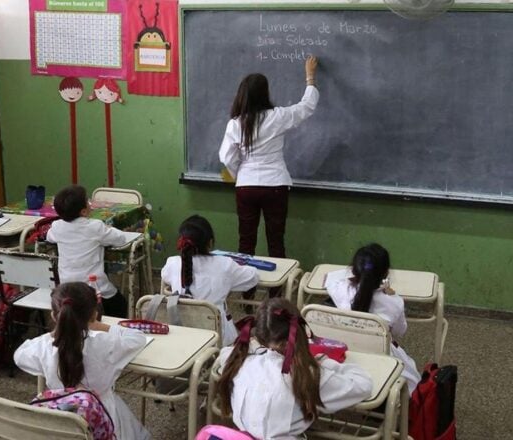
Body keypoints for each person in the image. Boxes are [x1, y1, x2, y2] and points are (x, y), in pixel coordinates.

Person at [217, 298, 372, 439]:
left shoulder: (239, 360)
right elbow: (363, 385)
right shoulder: (307, 375)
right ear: (299, 332)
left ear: (258, 333)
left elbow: (224, 353)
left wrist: (254, 346)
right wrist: (324, 362)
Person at [14, 282, 150, 440]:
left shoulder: (44, 347)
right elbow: (138, 338)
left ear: (54, 316)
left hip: (60, 420)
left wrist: (56, 333)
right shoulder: (105, 343)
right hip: (101, 417)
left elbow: (19, 355)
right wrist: (100, 326)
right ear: (93, 315)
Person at [219, 56, 319, 260]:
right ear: (265, 94)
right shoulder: (277, 117)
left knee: (246, 241)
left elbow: (227, 157)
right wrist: (310, 77)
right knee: (276, 241)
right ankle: (279, 282)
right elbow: (306, 106)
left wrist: (239, 174)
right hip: (275, 184)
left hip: (246, 187)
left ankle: (245, 281)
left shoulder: (236, 124)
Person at [325, 243, 421, 394]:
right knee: (412, 374)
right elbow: (399, 332)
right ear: (386, 273)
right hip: (380, 357)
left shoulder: (341, 290)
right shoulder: (394, 302)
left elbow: (330, 280)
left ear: (354, 271)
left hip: (344, 355)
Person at [161, 214, 259, 345]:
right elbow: (253, 277)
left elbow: (165, 276)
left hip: (183, 335)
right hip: (218, 339)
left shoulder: (173, 263)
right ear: (210, 242)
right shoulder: (225, 265)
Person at [47, 185, 132, 318]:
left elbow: (49, 237)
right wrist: (108, 228)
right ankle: (111, 327)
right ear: (84, 212)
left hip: (66, 287)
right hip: (94, 287)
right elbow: (121, 239)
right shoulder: (95, 226)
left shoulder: (57, 226)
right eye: (88, 201)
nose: (90, 203)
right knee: (120, 304)